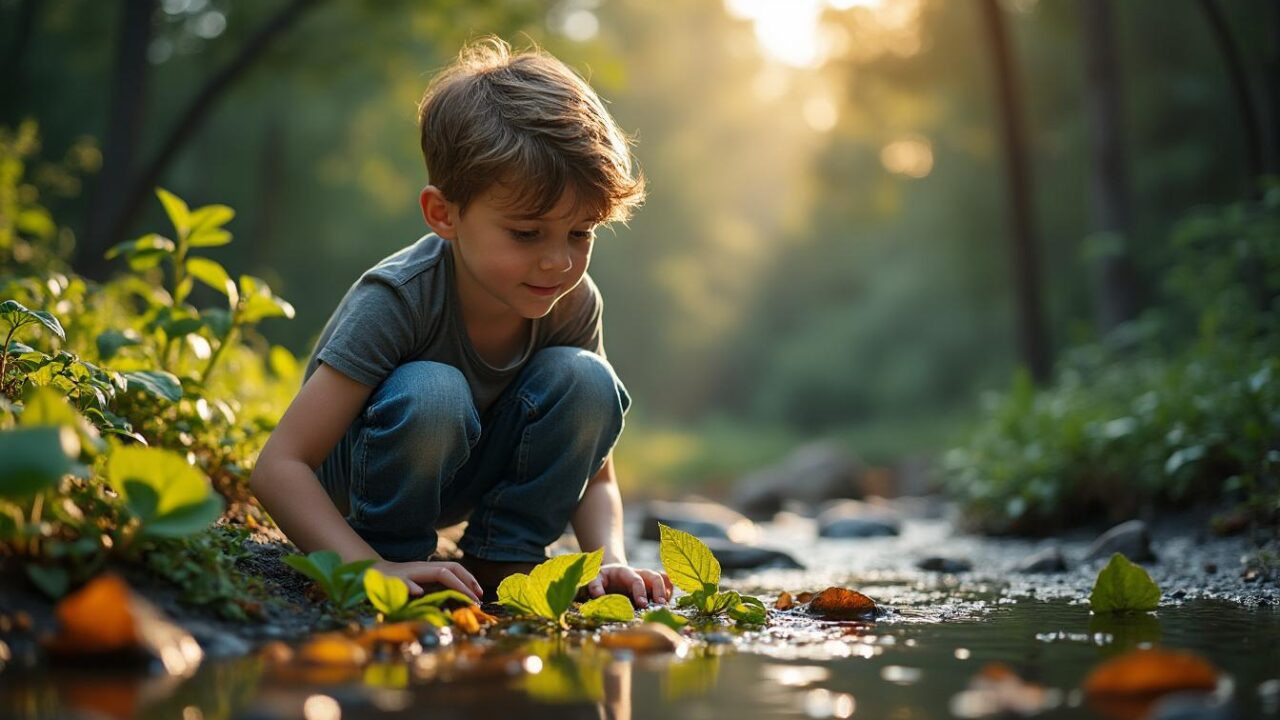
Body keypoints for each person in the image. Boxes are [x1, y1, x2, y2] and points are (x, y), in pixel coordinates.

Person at [250, 37, 671, 608]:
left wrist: (612, 560)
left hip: (469, 472)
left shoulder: (571, 300)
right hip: (369, 485)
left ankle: (504, 558)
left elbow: (594, 474)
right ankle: (397, 555)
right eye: (527, 233)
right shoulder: (398, 299)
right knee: (434, 390)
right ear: (443, 214)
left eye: (581, 233)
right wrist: (367, 568)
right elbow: (280, 466)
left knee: (588, 380)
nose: (559, 261)